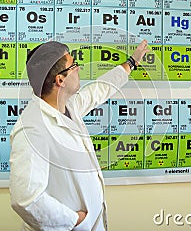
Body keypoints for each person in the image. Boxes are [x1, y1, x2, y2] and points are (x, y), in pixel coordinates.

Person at [9, 40, 149, 230]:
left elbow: (98, 90)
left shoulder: (67, 105)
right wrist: (73, 220)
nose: (79, 68)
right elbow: (25, 198)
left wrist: (131, 62)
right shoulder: (32, 129)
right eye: (74, 65)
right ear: (60, 80)